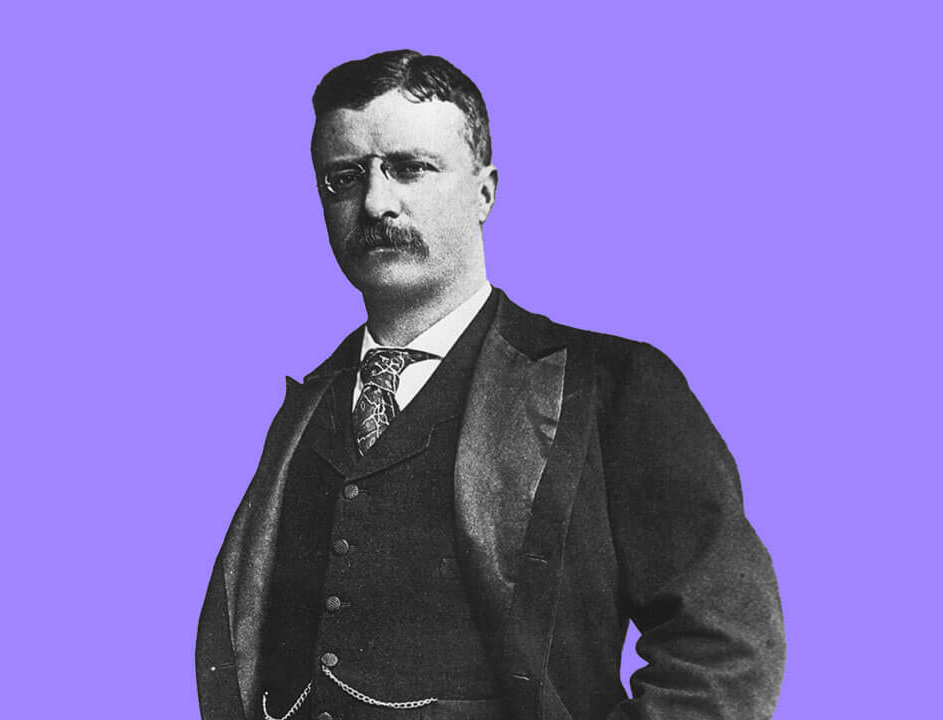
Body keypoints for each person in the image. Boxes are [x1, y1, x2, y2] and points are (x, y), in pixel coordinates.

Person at [196, 50, 785, 720]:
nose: (376, 202)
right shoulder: (308, 408)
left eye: (410, 168)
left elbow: (726, 649)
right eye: (344, 178)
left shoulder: (615, 387)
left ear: (485, 192)